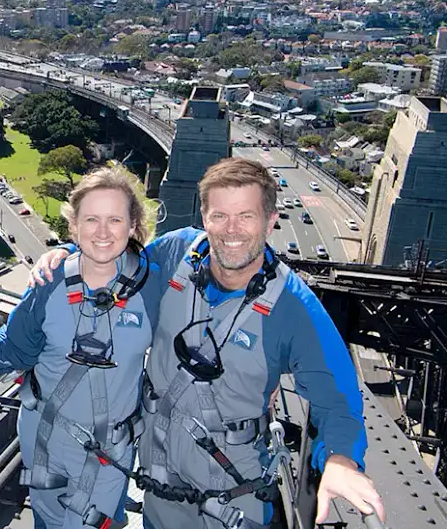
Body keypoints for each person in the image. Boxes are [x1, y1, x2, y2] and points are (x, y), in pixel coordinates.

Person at [29, 158, 384, 529]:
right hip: (159, 484)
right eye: (220, 216)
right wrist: (66, 257)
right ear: (204, 216)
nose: (232, 230)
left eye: (246, 216)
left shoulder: (294, 308)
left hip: (233, 496)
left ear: (270, 220)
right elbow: (117, 264)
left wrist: (342, 460)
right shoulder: (177, 252)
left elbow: (338, 398)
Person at [0, 166, 162, 528]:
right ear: (74, 227)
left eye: (115, 219)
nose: (102, 232)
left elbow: (207, 246)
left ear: (132, 227)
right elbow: (14, 348)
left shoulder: (154, 285)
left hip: (108, 453)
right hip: (45, 440)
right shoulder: (50, 282)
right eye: (91, 219)